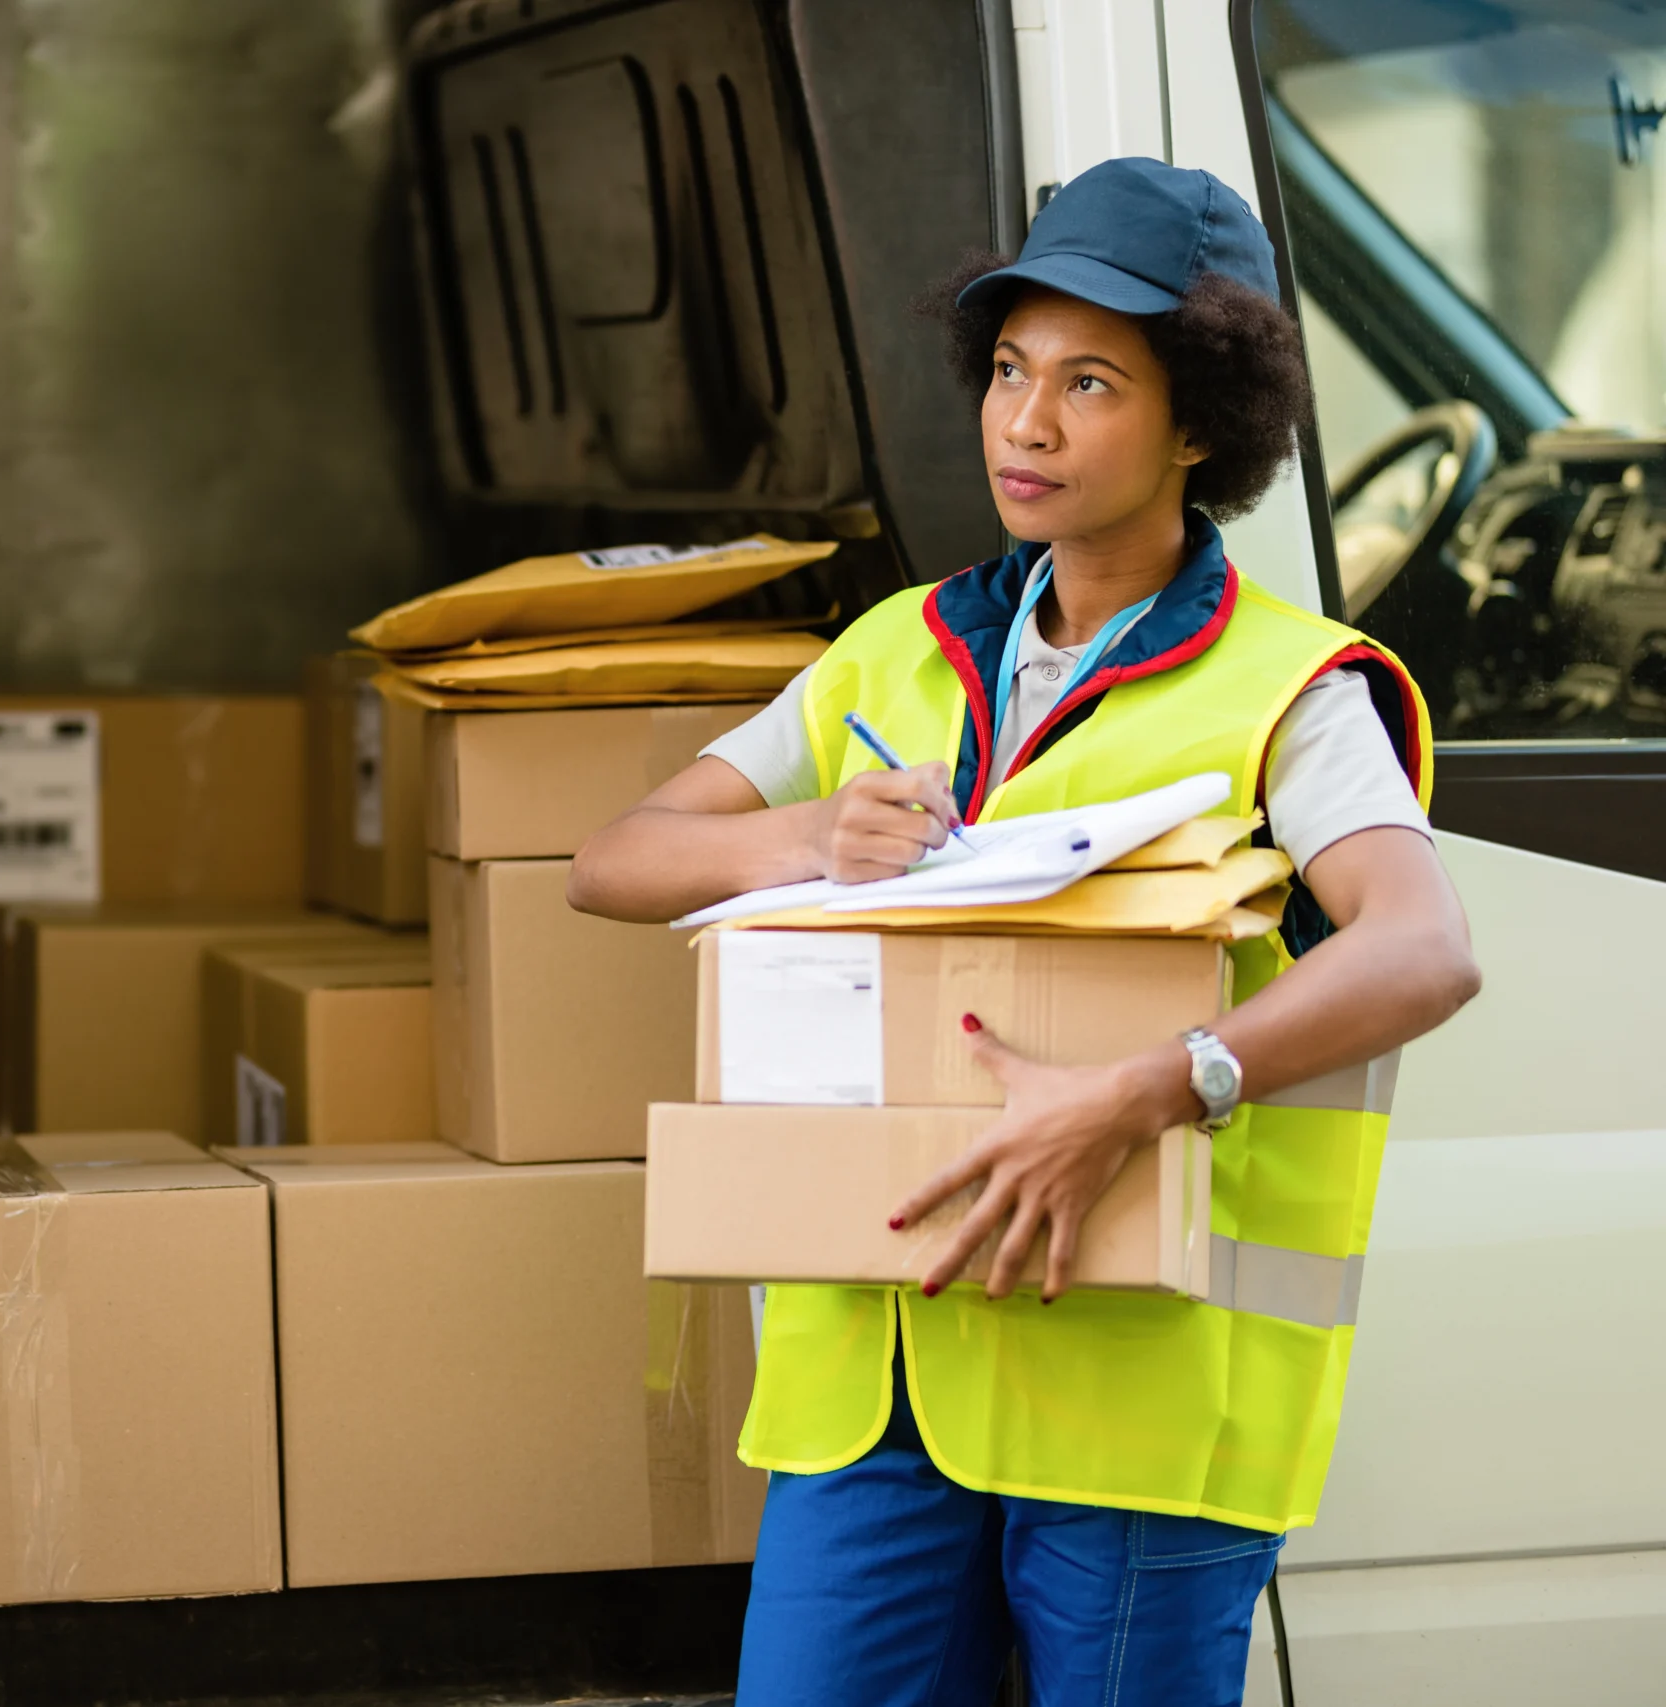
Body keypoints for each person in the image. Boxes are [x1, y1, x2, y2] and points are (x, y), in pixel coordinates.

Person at [568, 157, 1482, 1706]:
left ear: (1200, 419)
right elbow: (615, 859)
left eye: (1088, 382)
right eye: (1006, 372)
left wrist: (1152, 1085)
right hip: (879, 1380)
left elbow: (1423, 948)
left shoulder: (1295, 690)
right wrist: (810, 835)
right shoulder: (898, 654)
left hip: (1136, 1399)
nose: (1026, 423)